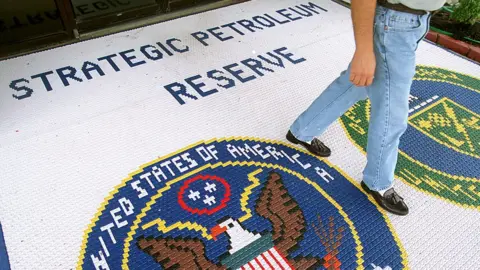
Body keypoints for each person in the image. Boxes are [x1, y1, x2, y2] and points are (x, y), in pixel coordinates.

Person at [287, 0, 447, 216]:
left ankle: (302, 130)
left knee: (357, 84)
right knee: (392, 112)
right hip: (396, 24)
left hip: (407, 23)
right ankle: (378, 182)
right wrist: (363, 50)